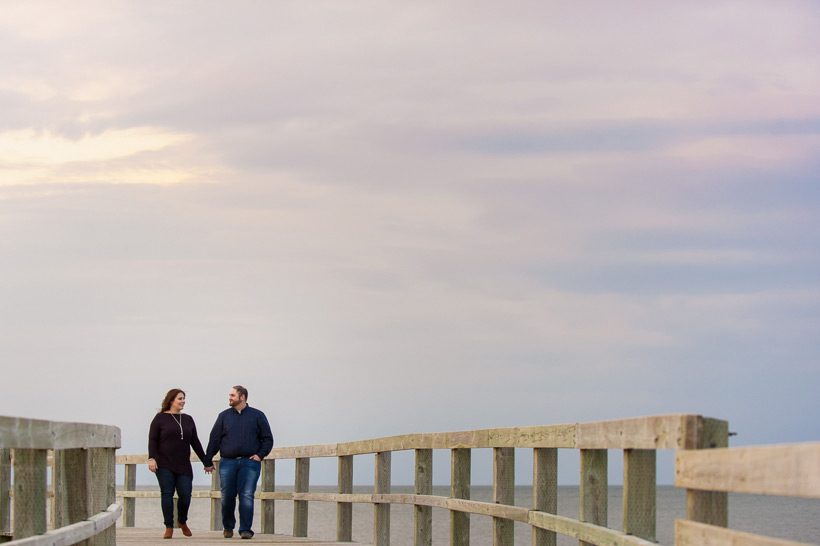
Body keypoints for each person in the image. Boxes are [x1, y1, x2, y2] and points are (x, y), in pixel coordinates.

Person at [204, 385, 273, 540]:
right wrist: (208, 460)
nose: (229, 398)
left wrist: (260, 455)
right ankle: (228, 527)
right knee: (227, 496)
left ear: (242, 397)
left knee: (247, 495)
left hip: (250, 463)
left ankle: (245, 530)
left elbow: (267, 439)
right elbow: (214, 439)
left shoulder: (257, 415)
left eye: (232, 395)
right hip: (228, 462)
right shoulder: (223, 416)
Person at [148, 388, 210, 539]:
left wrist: (206, 461)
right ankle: (169, 526)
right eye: (180, 399)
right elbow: (153, 440)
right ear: (171, 400)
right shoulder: (160, 418)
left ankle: (182, 521)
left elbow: (195, 442)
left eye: (183, 398)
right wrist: (151, 458)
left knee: (185, 495)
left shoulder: (188, 419)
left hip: (183, 465)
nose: (183, 401)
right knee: (167, 494)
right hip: (164, 464)